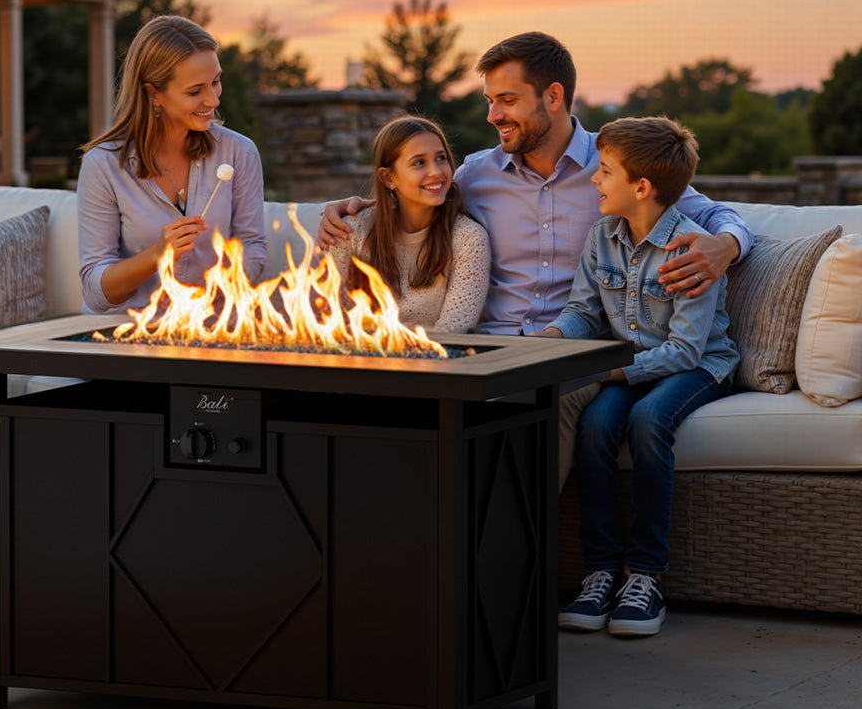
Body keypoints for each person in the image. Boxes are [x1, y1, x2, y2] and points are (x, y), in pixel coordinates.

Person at [317, 32, 753, 485]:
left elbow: (716, 214)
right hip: (490, 351)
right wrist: (352, 208)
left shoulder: (616, 170)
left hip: (568, 355)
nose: (493, 116)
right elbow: (417, 197)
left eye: (506, 100)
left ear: (553, 96)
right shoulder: (476, 174)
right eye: (489, 101)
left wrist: (727, 245)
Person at [542, 117, 738, 637]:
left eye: (605, 171)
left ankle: (645, 576)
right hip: (632, 363)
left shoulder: (692, 249)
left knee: (650, 421)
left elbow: (683, 350)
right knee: (595, 426)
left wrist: (605, 371)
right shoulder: (600, 237)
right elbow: (583, 312)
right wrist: (548, 344)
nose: (594, 180)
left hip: (698, 365)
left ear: (642, 188)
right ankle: (601, 571)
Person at [77, 16, 266, 314]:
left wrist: (227, 286)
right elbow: (95, 293)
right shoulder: (103, 165)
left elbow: (253, 247)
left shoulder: (239, 152)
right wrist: (158, 254)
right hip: (125, 334)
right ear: (154, 94)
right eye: (195, 91)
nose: (213, 100)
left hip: (209, 328)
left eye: (215, 82)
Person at [325, 115, 490, 333]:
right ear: (388, 179)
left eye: (441, 158)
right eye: (419, 162)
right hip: (361, 359)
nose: (436, 171)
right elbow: (331, 315)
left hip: (438, 360)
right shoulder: (352, 231)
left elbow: (454, 329)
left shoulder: (469, 239)